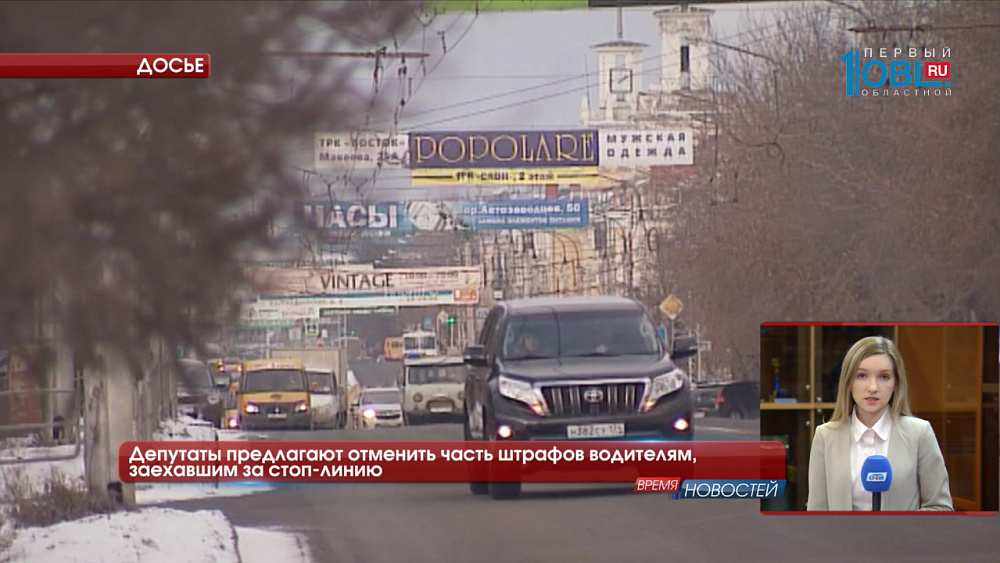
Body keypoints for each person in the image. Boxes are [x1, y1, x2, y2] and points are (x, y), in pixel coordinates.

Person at [806, 336, 953, 511]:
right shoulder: (825, 436)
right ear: (848, 382)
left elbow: (941, 508)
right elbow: (816, 514)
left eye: (884, 377)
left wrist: (897, 527)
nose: (873, 387)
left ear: (896, 383)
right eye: (862, 376)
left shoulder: (919, 433)